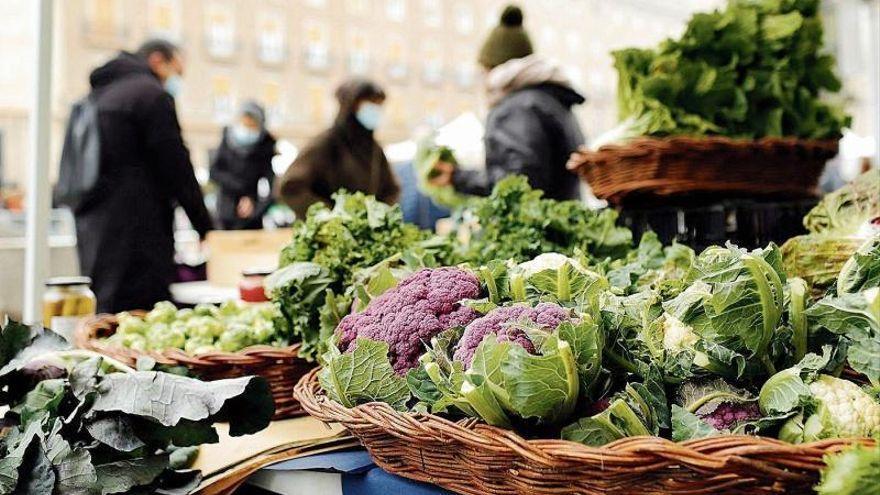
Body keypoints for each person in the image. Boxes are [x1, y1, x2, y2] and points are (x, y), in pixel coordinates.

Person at [65, 39, 212, 313]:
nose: (176, 80)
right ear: (157, 60)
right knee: (142, 323)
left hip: (95, 234)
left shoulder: (97, 96)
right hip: (138, 238)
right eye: (176, 71)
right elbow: (177, 167)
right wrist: (204, 225)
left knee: (106, 320)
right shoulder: (149, 95)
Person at [430, 5, 585, 200]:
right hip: (561, 219)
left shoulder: (518, 108)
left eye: (484, 70)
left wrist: (459, 177)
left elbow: (520, 181)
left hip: (538, 226)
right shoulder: (551, 100)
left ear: (495, 69)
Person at [275, 79, 399, 218]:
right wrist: (327, 216)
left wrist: (378, 215)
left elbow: (391, 189)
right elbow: (290, 186)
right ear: (351, 105)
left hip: (360, 235)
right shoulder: (327, 143)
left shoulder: (373, 148)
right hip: (328, 235)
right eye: (370, 103)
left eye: (379, 105)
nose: (376, 110)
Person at [209, 101, 277, 230]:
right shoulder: (226, 143)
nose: (247, 129)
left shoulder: (264, 150)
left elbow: (273, 189)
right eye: (245, 124)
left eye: (252, 126)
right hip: (225, 216)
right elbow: (214, 172)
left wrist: (256, 208)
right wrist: (241, 191)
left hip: (252, 222)